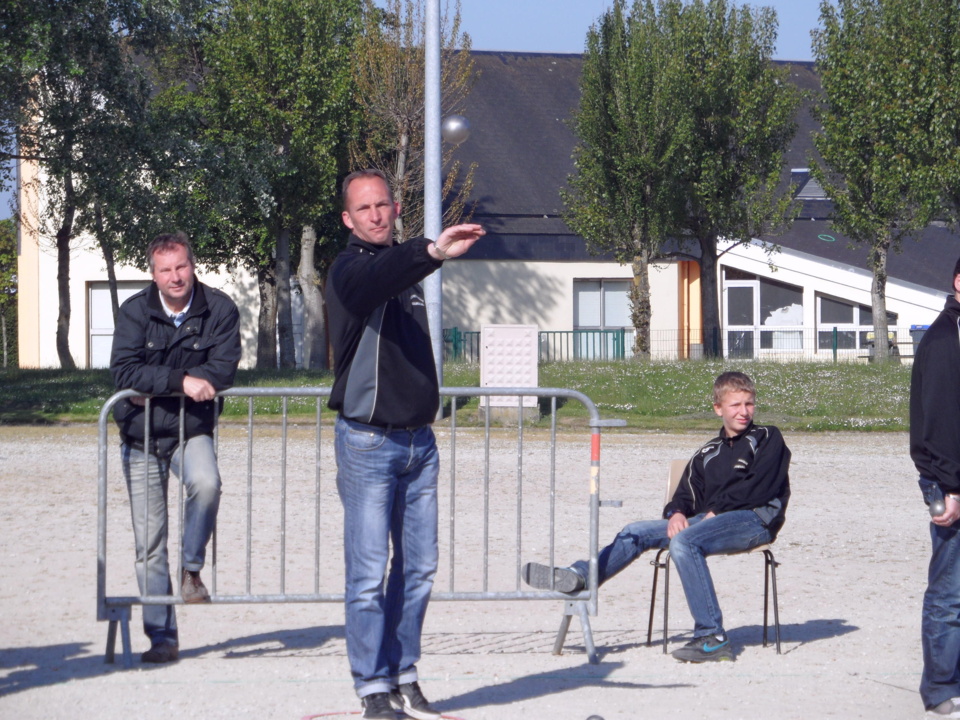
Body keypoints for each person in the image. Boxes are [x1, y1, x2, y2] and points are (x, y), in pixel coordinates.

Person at [325, 169, 485, 720]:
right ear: (348, 219)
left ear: (395, 209)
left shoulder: (407, 273)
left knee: (418, 571)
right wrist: (432, 251)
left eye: (382, 205)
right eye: (363, 208)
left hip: (420, 445)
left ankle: (402, 674)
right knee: (368, 574)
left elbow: (397, 272)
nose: (375, 215)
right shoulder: (350, 271)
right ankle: (372, 687)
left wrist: (425, 258)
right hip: (368, 444)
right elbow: (379, 277)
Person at [523, 371, 791, 663]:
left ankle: (712, 637)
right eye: (735, 405)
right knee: (635, 531)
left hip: (754, 520)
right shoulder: (707, 452)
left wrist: (717, 511)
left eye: (749, 404)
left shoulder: (768, 437)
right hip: (708, 522)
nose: (744, 411)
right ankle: (580, 576)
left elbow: (760, 486)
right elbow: (685, 494)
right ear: (718, 408)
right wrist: (676, 513)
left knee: (684, 542)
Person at [110, 231, 241, 664]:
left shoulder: (219, 308)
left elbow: (222, 370)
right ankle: (162, 637)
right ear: (153, 274)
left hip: (191, 429)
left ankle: (191, 570)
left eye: (181, 266)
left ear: (192, 265)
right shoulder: (134, 311)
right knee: (149, 545)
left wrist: (153, 386)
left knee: (207, 484)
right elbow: (123, 373)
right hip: (141, 437)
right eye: (165, 270)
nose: (175, 277)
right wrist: (182, 381)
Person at [911, 256, 960, 717]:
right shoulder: (946, 338)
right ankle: (941, 687)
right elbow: (940, 423)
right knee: (949, 592)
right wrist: (951, 488)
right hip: (951, 482)